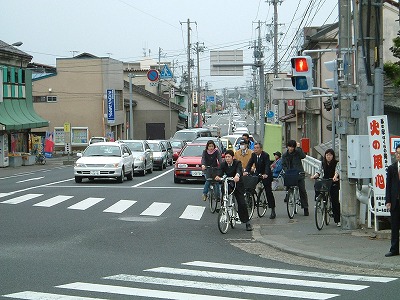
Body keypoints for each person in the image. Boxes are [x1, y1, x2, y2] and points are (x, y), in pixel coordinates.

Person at [215, 150, 253, 231]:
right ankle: (224, 209)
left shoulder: (237, 163)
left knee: (241, 203)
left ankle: (247, 222)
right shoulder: (223, 164)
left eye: (229, 157)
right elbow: (220, 171)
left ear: (233, 157)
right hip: (228, 183)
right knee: (224, 195)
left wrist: (237, 176)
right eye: (226, 157)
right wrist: (218, 176)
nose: (227, 159)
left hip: (237, 184)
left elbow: (239, 170)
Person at [243, 142, 276, 219]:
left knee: (268, 191)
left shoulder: (265, 155)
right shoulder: (253, 155)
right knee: (249, 186)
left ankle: (272, 210)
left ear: (261, 149)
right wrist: (246, 171)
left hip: (266, 174)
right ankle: (250, 203)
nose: (255, 149)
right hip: (258, 173)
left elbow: (267, 166)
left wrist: (266, 174)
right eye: (254, 148)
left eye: (257, 148)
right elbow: (249, 164)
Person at [310, 148, 341, 226]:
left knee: (335, 201)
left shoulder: (336, 163)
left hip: (333, 181)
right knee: (317, 185)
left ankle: (338, 220)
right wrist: (315, 176)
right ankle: (318, 199)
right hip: (325, 181)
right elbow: (319, 171)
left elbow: (337, 171)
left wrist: (335, 177)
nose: (328, 157)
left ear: (333, 156)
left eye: (330, 155)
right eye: (327, 155)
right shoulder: (322, 163)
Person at [281, 140, 309, 216]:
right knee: (288, 185)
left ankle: (305, 208)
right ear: (287, 146)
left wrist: (299, 148)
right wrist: (286, 171)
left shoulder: (297, 153)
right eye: (289, 146)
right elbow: (283, 164)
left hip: (299, 173)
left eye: (292, 147)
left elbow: (303, 156)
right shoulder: (284, 155)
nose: (291, 148)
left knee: (302, 190)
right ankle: (288, 195)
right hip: (290, 174)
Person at [384, 144, 400, 257]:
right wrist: (388, 201)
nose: (399, 155)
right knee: (394, 227)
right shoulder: (391, 168)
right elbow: (388, 186)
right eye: (397, 153)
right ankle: (394, 249)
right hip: (395, 202)